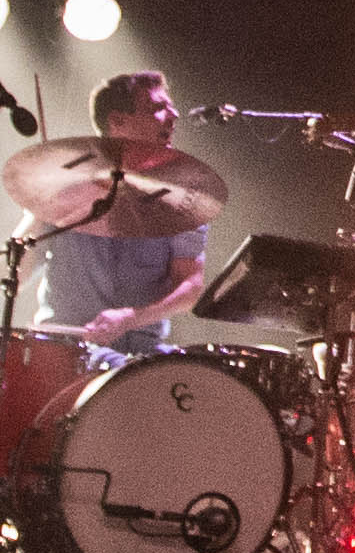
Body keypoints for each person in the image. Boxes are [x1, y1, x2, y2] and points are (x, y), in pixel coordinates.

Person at [35, 70, 228, 347]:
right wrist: (36, 210)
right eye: (157, 108)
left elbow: (190, 288)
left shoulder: (182, 200)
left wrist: (131, 318)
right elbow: (15, 273)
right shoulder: (67, 185)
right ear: (118, 122)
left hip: (140, 354)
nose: (173, 116)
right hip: (63, 349)